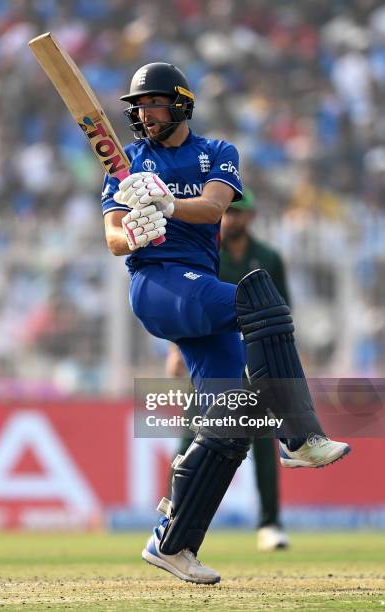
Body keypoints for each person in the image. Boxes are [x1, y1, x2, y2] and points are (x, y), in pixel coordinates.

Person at [101, 62, 350, 585]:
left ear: (182, 105)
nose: (144, 115)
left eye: (154, 104)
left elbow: (215, 207)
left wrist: (166, 204)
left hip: (197, 281)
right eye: (138, 107)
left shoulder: (218, 153)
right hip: (158, 284)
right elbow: (113, 238)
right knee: (258, 299)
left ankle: (173, 544)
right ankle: (302, 437)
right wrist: (136, 235)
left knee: (236, 418)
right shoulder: (127, 162)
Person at [166, 188, 291, 552]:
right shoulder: (209, 253)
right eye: (227, 214)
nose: (230, 219)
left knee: (264, 442)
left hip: (259, 361)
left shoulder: (268, 257)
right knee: (192, 437)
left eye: (237, 214)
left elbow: (282, 311)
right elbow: (189, 304)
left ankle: (269, 524)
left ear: (249, 217)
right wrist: (178, 348)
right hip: (214, 357)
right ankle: (172, 516)